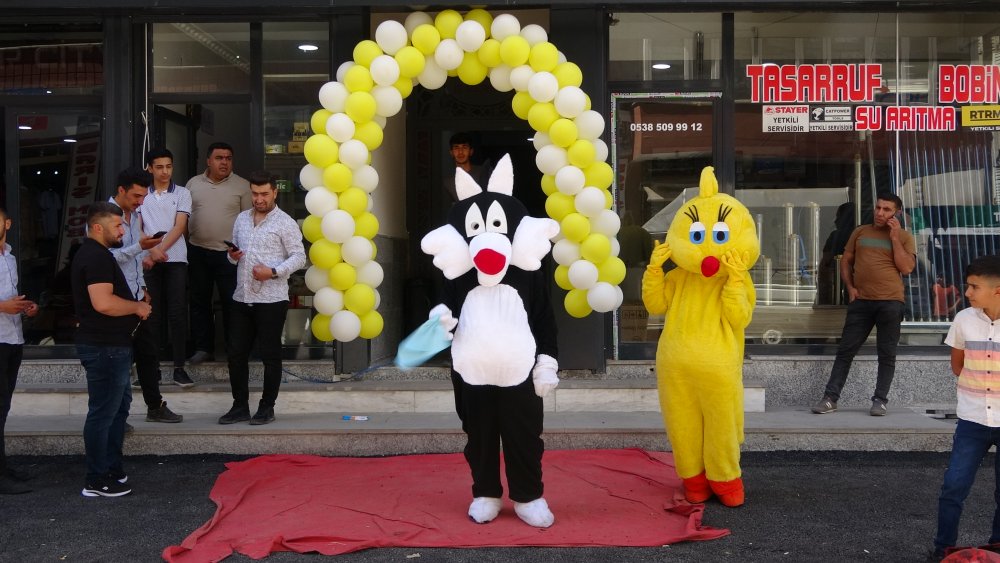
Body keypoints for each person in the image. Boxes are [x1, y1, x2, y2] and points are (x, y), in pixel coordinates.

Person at [72, 201, 152, 497]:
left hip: (113, 345)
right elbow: (103, 303)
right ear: (97, 227)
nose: (122, 231)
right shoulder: (95, 257)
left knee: (117, 410)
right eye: (117, 226)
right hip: (103, 346)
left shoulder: (99, 255)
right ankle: (96, 479)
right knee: (104, 413)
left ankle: (111, 468)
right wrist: (137, 307)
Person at [812, 192, 916, 416]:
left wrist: (894, 237)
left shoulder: (904, 237)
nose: (880, 213)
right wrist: (850, 288)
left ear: (896, 213)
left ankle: (880, 400)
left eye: (886, 210)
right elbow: (846, 261)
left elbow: (907, 268)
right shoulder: (860, 231)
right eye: (878, 208)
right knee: (845, 351)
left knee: (886, 354)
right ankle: (830, 398)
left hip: (891, 302)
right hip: (861, 302)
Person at [217, 171, 304, 425]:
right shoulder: (242, 219)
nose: (259, 199)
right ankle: (239, 406)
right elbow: (232, 255)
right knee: (236, 354)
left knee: (270, 354)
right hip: (242, 296)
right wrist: (232, 256)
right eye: (255, 194)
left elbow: (299, 257)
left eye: (264, 193)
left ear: (275, 192)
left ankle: (267, 407)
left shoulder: (285, 222)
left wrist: (273, 271)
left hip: (272, 299)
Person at [931, 255, 1000, 560]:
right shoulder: (963, 319)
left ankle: (997, 549)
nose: (967, 292)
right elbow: (957, 366)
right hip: (972, 419)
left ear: (997, 290)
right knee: (953, 487)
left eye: (974, 286)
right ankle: (943, 549)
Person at [109, 168, 183, 423]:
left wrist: (143, 288)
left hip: (137, 296)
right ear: (121, 190)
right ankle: (117, 417)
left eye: (143, 196)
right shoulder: (104, 217)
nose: (140, 202)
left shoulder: (132, 215)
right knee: (119, 360)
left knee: (148, 353)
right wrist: (139, 247)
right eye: (136, 196)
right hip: (114, 300)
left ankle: (155, 406)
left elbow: (135, 260)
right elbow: (105, 259)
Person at [186, 142, 251, 364]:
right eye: (219, 158)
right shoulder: (193, 184)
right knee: (199, 301)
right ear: (208, 160)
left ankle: (234, 349)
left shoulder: (242, 186)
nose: (224, 162)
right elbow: (183, 216)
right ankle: (203, 348)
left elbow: (248, 223)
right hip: (197, 250)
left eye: (228, 158)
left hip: (228, 255)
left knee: (232, 303)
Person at [142, 147, 194, 387]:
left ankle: (179, 368)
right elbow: (137, 226)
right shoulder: (142, 194)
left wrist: (158, 251)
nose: (165, 172)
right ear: (150, 168)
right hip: (147, 260)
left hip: (175, 260)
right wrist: (151, 253)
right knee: (150, 314)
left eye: (169, 166)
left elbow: (180, 226)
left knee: (177, 313)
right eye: (159, 167)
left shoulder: (182, 193)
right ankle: (150, 369)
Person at [0, 207, 39, 495]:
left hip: (12, 338)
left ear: (8, 223)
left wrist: (26, 307)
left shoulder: (10, 257)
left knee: (4, 407)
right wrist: (3, 306)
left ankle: (3, 468)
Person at [443, 132, 491, 202]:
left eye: (464, 147)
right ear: (451, 152)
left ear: (471, 151)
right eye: (456, 148)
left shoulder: (484, 172)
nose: (460, 152)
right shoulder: (448, 182)